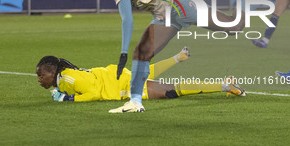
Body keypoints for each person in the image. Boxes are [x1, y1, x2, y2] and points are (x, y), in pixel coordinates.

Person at [83, 0, 286, 113]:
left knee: (234, 26)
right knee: (143, 52)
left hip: (180, 4)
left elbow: (127, 19)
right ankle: (135, 103)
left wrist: (123, 53)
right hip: (167, 14)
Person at [36, 47, 246, 102]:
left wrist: (69, 99)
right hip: (118, 78)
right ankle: (179, 57)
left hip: (122, 85)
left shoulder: (66, 78)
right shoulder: (63, 78)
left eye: (40, 75)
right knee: (148, 74)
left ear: (52, 71)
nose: (39, 80)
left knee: (171, 91)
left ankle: (225, 84)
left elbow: (92, 92)